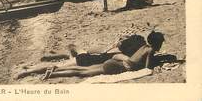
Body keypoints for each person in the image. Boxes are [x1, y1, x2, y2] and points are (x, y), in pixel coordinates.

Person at [16, 31, 164, 80]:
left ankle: (32, 68)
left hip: (97, 58)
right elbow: (146, 68)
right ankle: (30, 70)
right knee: (77, 69)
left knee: (72, 58)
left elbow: (114, 51)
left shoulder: (134, 48)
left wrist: (117, 45)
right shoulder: (144, 51)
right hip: (93, 60)